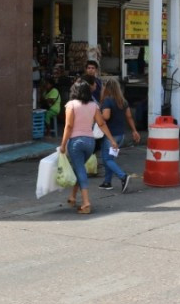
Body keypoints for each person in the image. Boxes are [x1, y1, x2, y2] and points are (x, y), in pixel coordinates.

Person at [59, 79, 119, 214]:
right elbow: (102, 124)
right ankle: (72, 196)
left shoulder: (71, 105)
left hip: (76, 142)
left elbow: (68, 126)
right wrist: (112, 140)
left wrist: (63, 144)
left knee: (80, 170)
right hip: (90, 142)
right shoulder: (93, 106)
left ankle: (86, 203)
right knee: (78, 168)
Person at [98, 78, 139, 192]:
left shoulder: (107, 101)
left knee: (107, 160)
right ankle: (107, 182)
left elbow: (106, 116)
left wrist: (96, 116)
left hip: (110, 136)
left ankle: (123, 176)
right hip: (120, 135)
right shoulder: (123, 101)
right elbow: (129, 116)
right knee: (110, 159)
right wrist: (134, 130)